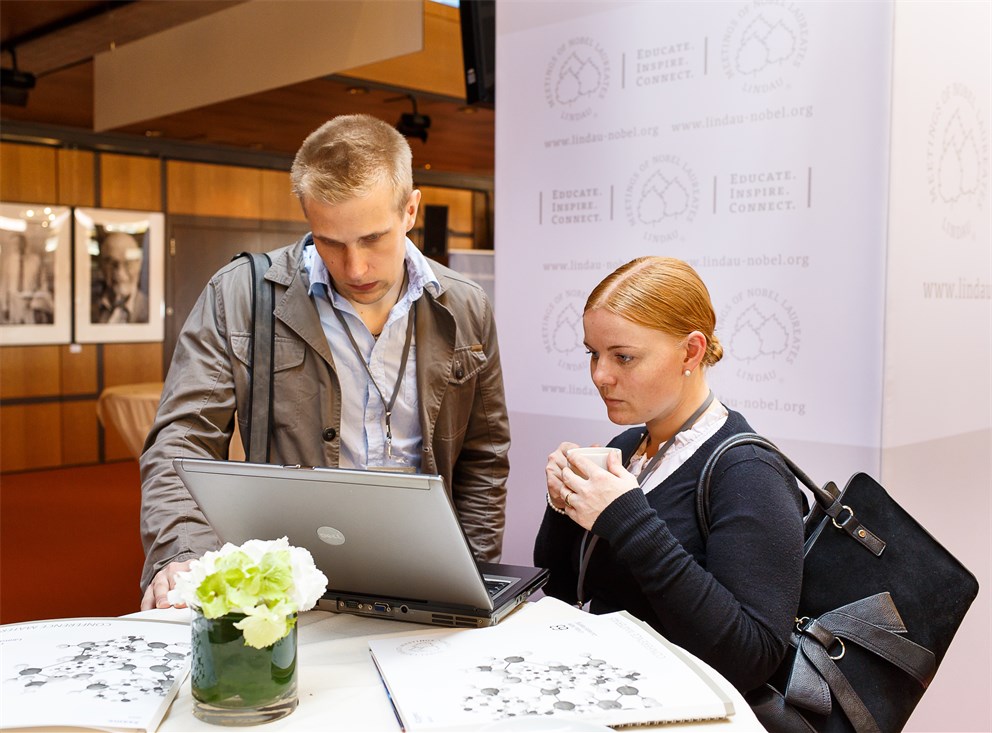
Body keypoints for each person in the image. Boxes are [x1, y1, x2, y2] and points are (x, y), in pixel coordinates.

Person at [140, 114, 510, 609]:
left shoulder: (464, 306)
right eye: (331, 243)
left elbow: (484, 458)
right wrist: (182, 553)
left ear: (410, 210)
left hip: (425, 573)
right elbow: (181, 443)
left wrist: (474, 575)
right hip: (289, 578)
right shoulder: (241, 297)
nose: (355, 268)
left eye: (374, 238)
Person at [534, 257, 804, 694]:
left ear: (691, 352)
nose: (600, 375)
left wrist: (629, 520)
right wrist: (562, 502)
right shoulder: (624, 450)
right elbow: (563, 589)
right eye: (593, 353)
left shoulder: (749, 473)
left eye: (624, 357)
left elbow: (750, 658)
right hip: (607, 693)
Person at [91, 231, 149, 324]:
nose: (119, 272)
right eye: (111, 263)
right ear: (101, 265)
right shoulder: (88, 308)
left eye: (128, 263)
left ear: (139, 264)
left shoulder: (150, 310)